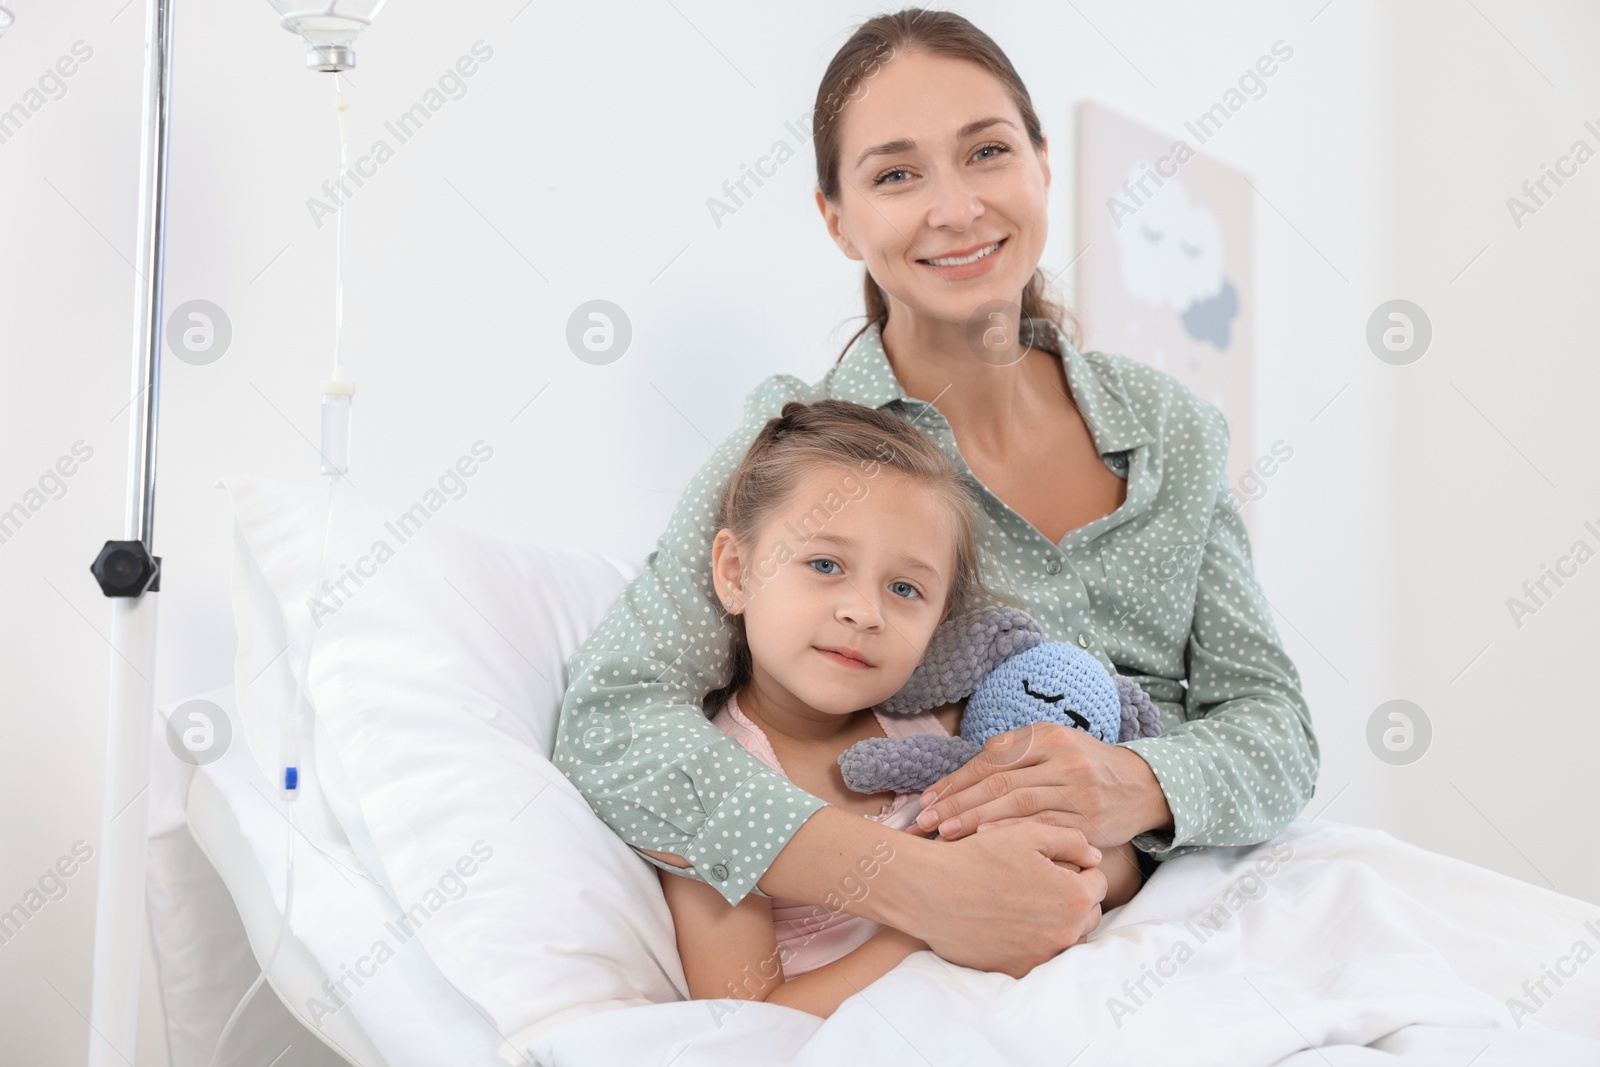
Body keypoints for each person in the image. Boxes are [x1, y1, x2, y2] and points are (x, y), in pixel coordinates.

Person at [554, 7, 1319, 980]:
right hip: (953, 932)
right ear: (837, 219)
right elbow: (615, 717)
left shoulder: (1171, 426)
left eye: (987, 152)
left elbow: (1273, 725)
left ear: (1043, 164)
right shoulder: (805, 445)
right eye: (895, 174)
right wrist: (910, 882)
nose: (955, 208)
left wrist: (1133, 783)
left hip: (1197, 894)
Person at [657, 398, 1147, 1018]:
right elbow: (746, 1017)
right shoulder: (706, 789)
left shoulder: (939, 728)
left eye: (905, 588)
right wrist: (948, 914)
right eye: (825, 564)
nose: (865, 611)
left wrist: (1067, 870)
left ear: (939, 618)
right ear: (736, 571)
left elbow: (1115, 861)